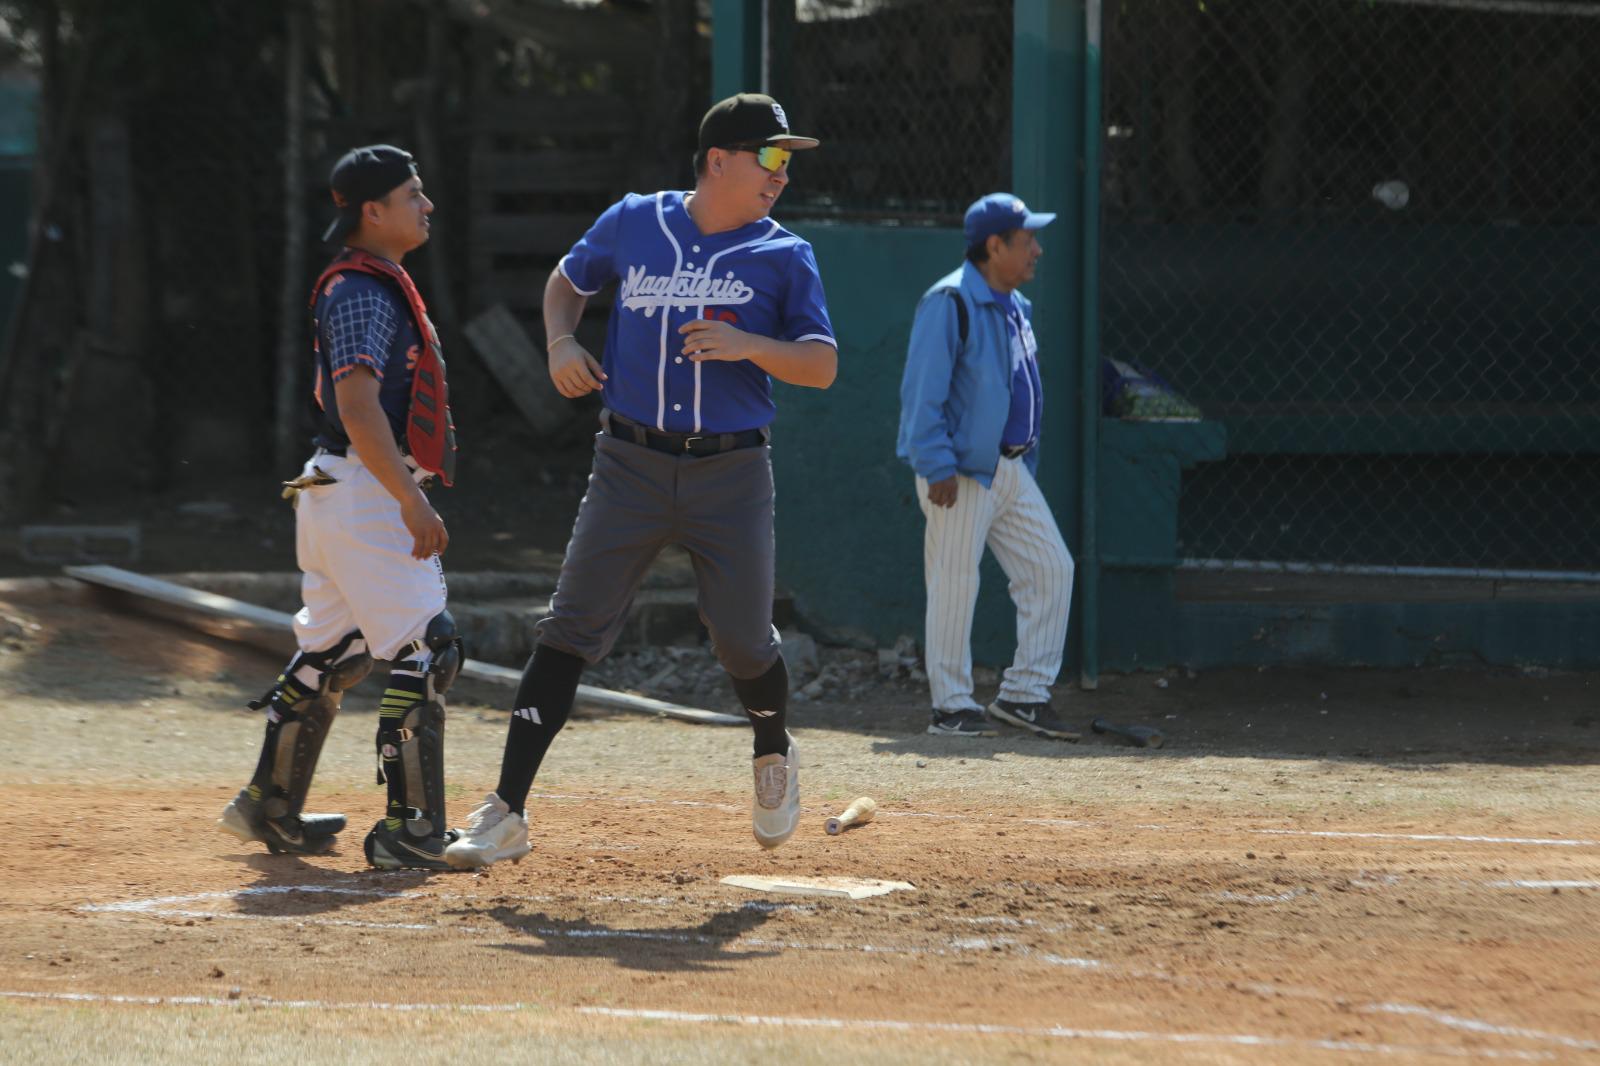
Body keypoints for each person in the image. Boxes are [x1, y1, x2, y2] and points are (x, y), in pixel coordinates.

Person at [444, 93, 837, 869]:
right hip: (629, 462)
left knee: (739, 638)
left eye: (788, 161)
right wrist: (560, 341)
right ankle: (507, 809)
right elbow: (567, 279)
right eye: (770, 157)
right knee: (569, 628)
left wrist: (746, 342)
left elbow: (821, 366)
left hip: (732, 470)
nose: (782, 175)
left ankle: (771, 747)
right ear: (717, 160)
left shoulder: (783, 253)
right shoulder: (635, 220)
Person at [217, 144, 465, 870]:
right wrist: (411, 499)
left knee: (332, 652)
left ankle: (269, 804)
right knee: (428, 647)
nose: (426, 205)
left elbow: (347, 401)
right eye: (413, 194)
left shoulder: (369, 284)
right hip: (361, 491)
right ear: (373, 211)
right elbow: (356, 406)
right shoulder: (360, 289)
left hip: (335, 488)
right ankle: (410, 830)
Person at [895, 193, 1077, 740]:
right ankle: (950, 707)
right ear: (994, 246)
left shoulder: (1013, 306)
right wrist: (936, 465)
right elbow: (921, 397)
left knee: (1051, 570)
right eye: (1027, 241)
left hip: (1009, 468)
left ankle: (1024, 695)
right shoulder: (948, 302)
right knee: (954, 585)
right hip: (958, 472)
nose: (1037, 251)